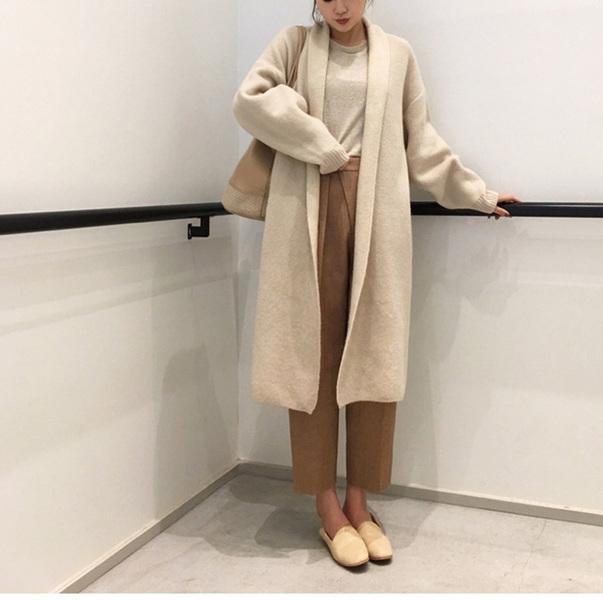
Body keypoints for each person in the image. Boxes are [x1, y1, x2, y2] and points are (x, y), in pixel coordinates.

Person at [232, 0, 522, 568]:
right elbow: (250, 100)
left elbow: (421, 140)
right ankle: (327, 508)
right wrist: (321, 145)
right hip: (308, 209)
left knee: (373, 355)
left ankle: (360, 504)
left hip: (377, 213)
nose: (340, 5)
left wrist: (477, 194)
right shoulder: (293, 44)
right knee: (312, 360)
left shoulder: (397, 54)